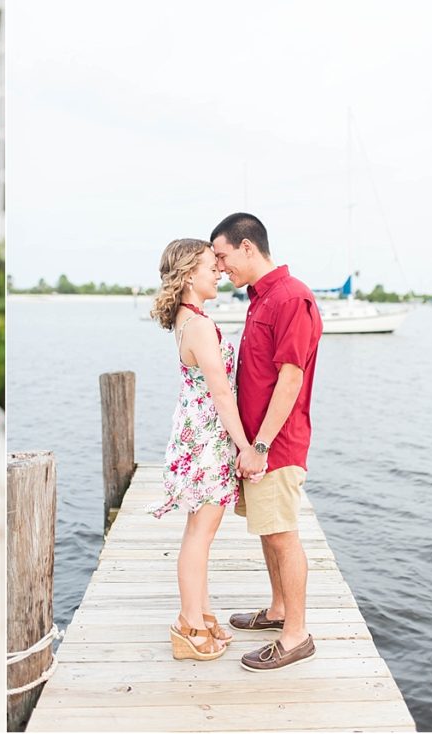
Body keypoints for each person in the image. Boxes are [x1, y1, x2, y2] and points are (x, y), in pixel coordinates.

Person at [210, 212, 322, 672]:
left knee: (282, 535)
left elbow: (291, 378)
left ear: (247, 247)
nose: (219, 267)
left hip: (275, 445)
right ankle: (278, 611)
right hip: (257, 446)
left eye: (222, 256)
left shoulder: (292, 298)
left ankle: (296, 635)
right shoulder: (261, 298)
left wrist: (259, 445)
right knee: (267, 531)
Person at [148, 239, 258, 661]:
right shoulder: (197, 325)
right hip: (208, 438)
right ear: (190, 274)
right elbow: (221, 394)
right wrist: (246, 446)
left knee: (200, 532)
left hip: (197, 432)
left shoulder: (189, 318)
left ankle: (202, 612)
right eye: (211, 266)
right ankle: (188, 624)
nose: (219, 272)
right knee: (200, 534)